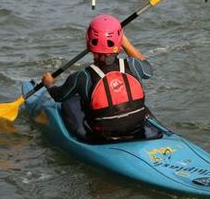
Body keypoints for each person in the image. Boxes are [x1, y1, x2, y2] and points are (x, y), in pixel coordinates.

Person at [42, 14, 155, 143]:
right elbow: (148, 71)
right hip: (137, 130)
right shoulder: (133, 65)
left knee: (69, 103)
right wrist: (125, 43)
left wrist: (49, 84)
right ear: (119, 41)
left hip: (104, 136)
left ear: (88, 40)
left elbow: (59, 96)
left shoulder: (82, 77)